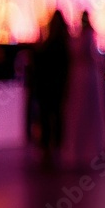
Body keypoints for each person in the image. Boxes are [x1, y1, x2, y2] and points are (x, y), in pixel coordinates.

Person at [62, 11, 105, 168]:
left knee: (80, 112)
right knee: (86, 112)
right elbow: (94, 56)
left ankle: (81, 149)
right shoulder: (89, 36)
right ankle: (88, 149)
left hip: (82, 78)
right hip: (87, 78)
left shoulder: (81, 37)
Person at [34, 10, 70, 156]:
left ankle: (48, 146)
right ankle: (56, 145)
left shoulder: (50, 43)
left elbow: (41, 62)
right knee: (56, 115)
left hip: (48, 85)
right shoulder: (64, 43)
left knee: (47, 115)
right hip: (57, 85)